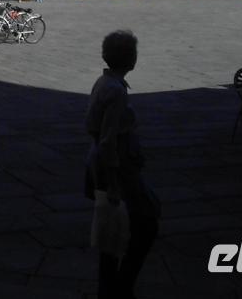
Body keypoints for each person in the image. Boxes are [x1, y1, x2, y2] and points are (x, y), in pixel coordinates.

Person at [85, 30, 159, 299]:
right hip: (116, 169)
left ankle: (109, 289)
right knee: (146, 223)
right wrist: (115, 183)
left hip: (104, 164)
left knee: (112, 232)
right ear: (130, 59)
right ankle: (121, 287)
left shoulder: (103, 82)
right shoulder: (115, 91)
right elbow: (107, 141)